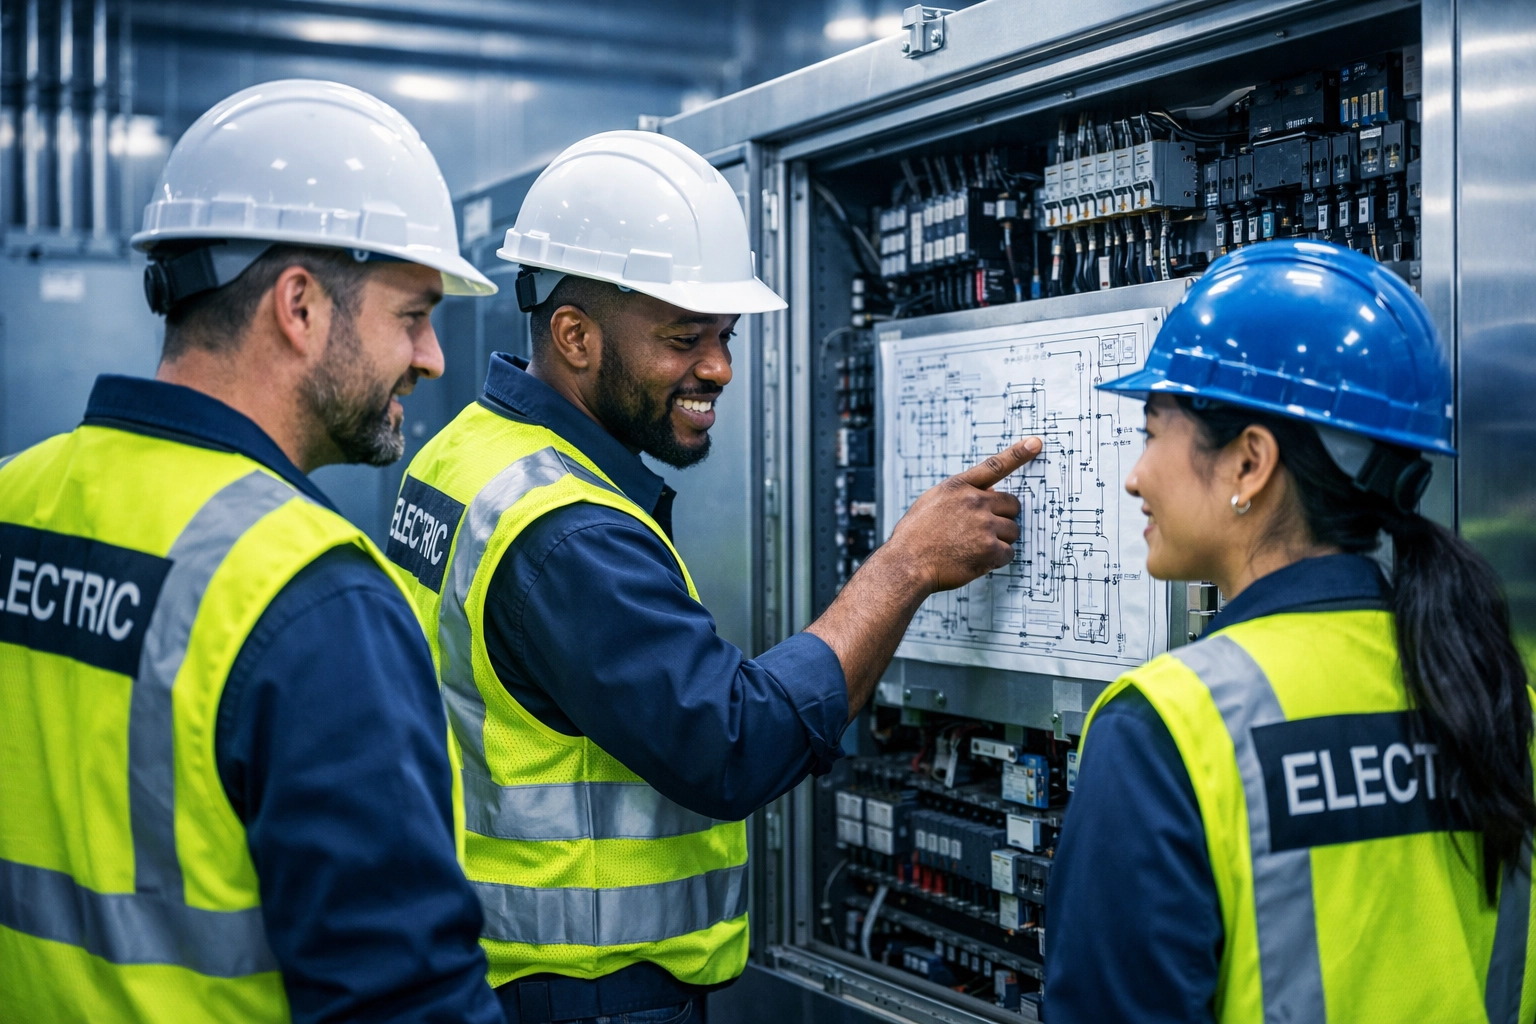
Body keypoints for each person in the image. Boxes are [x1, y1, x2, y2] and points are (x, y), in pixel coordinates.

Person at [388, 129, 1039, 1024]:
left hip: (501, 966)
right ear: (573, 335)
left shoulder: (467, 453)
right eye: (684, 338)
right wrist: (906, 566)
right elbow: (733, 743)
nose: (720, 369)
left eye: (725, 337)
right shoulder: (564, 532)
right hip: (587, 991)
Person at [0, 80, 506, 1024]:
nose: (434, 356)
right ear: (301, 306)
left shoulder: (12, 499)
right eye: (412, 314)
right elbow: (405, 1002)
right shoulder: (312, 598)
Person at [1044, 239, 1536, 1022]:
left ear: (1249, 463)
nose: (1135, 476)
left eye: (1150, 431)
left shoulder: (1169, 729)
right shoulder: (1502, 697)